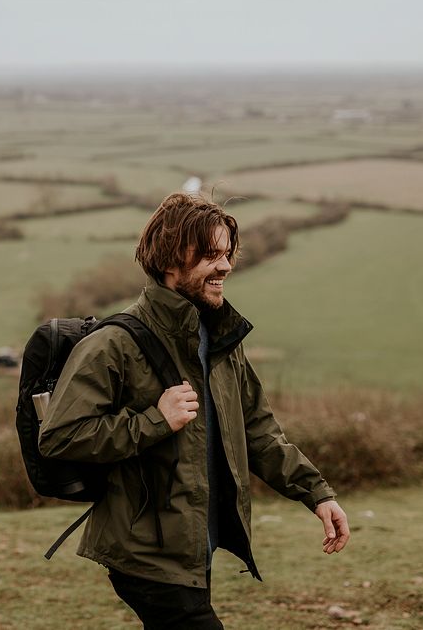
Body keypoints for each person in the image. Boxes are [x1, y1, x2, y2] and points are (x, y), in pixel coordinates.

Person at [38, 192, 349, 629]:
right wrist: (154, 422)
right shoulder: (114, 345)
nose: (224, 266)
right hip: (144, 552)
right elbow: (59, 436)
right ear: (169, 262)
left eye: (226, 254)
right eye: (208, 255)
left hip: (192, 546)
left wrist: (316, 494)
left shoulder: (219, 339)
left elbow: (258, 431)